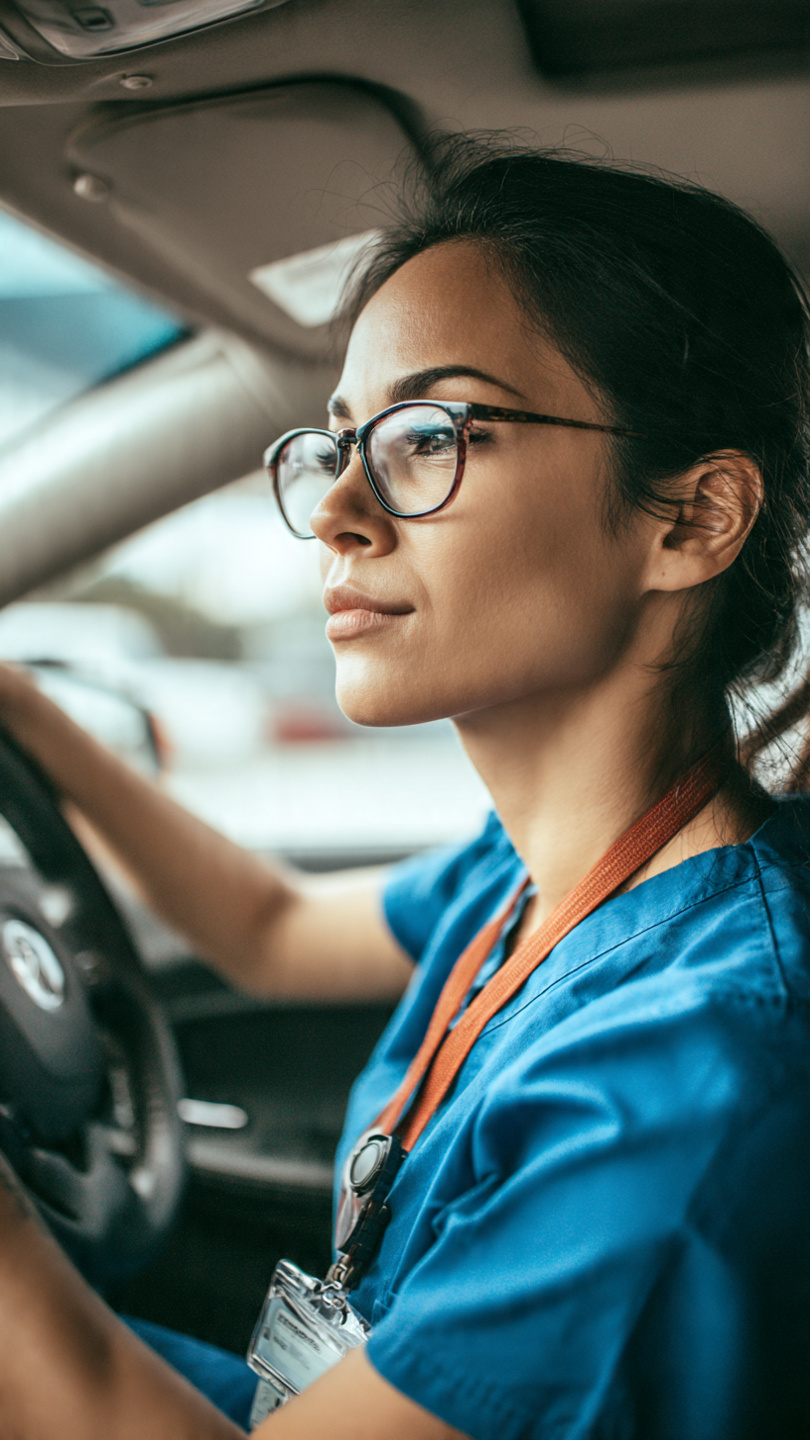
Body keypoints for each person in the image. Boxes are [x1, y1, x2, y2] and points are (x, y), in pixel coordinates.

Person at [0, 134, 808, 1440]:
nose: (337, 511)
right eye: (339, 446)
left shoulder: (679, 1078)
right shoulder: (539, 869)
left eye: (430, 434)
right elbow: (265, 930)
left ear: (689, 519)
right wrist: (25, 710)